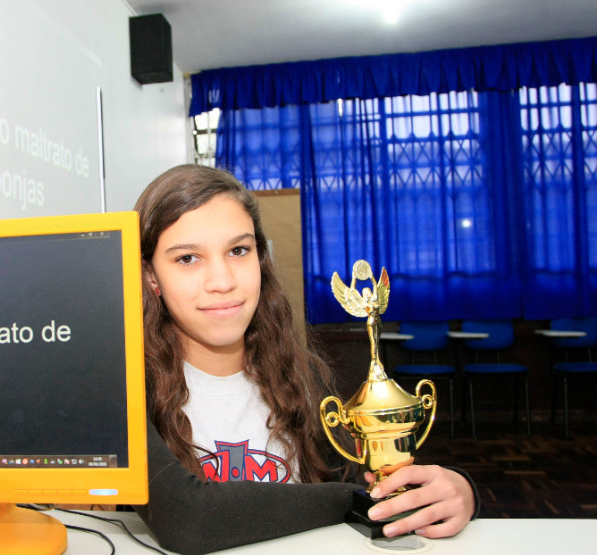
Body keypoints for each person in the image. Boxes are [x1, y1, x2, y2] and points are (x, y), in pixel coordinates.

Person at [130, 164, 477, 555]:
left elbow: (377, 488)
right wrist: (349, 499)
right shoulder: (129, 388)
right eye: (188, 258)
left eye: (239, 250)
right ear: (150, 277)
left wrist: (455, 493)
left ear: (260, 258)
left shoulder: (300, 376)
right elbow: (188, 521)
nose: (223, 281)